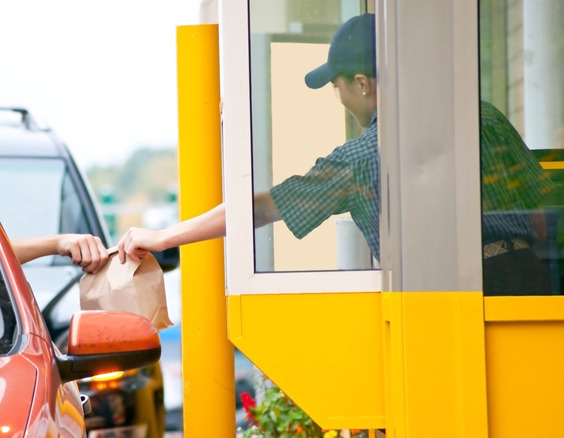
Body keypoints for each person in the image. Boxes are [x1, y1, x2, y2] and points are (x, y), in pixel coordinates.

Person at [117, 13, 556, 296]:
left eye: (337, 86)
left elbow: (264, 208)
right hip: (532, 289)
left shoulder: (364, 156)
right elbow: (540, 217)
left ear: (363, 83)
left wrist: (162, 237)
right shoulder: (484, 116)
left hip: (439, 304)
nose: (340, 98)